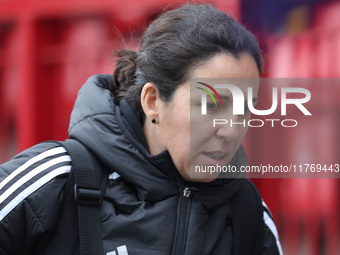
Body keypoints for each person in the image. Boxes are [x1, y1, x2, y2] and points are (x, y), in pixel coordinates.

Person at [0, 4, 283, 255]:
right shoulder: (56, 179)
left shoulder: (249, 215)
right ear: (153, 101)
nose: (231, 130)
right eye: (212, 106)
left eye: (245, 109)